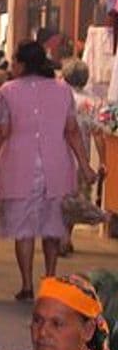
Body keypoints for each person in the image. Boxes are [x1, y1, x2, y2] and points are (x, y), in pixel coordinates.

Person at [0, 40, 97, 301]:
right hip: (57, 164)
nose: (13, 66)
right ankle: (50, 279)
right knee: (52, 226)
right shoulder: (63, 90)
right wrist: (85, 165)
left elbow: (0, 134)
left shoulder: (7, 91)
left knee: (24, 228)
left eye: (15, 62)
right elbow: (72, 130)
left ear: (22, 63)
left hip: (19, 165)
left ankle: (27, 284)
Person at [59, 58, 108, 254]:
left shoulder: (57, 97)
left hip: (58, 153)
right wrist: (103, 160)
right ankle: (66, 236)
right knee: (75, 197)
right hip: (82, 156)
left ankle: (59, 237)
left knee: (59, 198)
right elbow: (98, 133)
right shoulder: (92, 102)